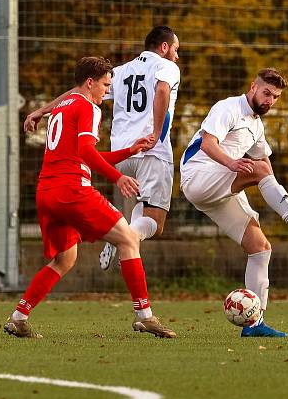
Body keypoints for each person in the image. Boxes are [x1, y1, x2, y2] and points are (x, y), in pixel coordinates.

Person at [5, 56, 176, 339]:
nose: (107, 91)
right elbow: (86, 152)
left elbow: (85, 154)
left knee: (65, 259)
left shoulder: (63, 106)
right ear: (90, 83)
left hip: (47, 192)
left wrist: (129, 151)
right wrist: (117, 177)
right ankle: (144, 315)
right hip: (73, 190)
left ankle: (19, 317)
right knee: (129, 239)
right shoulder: (88, 107)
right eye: (106, 85)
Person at [180, 68, 288, 338]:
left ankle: (254, 325)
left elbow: (265, 166)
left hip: (221, 187)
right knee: (259, 170)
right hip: (198, 176)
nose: (270, 100)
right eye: (266, 93)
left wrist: (277, 194)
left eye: (275, 97)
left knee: (260, 247)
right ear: (253, 86)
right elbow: (207, 144)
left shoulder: (256, 125)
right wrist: (234, 164)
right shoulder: (228, 107)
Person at [24, 26, 181, 271]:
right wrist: (157, 133)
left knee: (142, 205)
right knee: (155, 220)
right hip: (152, 150)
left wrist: (42, 111)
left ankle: (124, 232)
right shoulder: (167, 66)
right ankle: (123, 235)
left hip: (122, 152)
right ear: (164, 47)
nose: (177, 55)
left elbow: (77, 92)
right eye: (175, 49)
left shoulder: (121, 71)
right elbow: (162, 89)